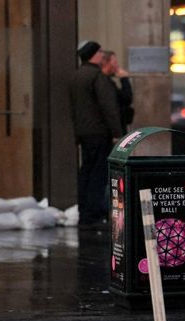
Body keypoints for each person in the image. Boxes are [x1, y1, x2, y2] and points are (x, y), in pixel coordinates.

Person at [70, 41, 123, 230]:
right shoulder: (97, 77)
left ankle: (84, 213)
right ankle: (92, 215)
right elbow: (108, 107)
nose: (102, 55)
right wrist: (117, 132)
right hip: (99, 132)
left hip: (84, 132)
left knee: (86, 172)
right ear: (93, 54)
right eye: (100, 51)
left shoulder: (76, 76)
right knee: (98, 175)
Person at [100, 50, 134, 135]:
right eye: (114, 62)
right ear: (106, 63)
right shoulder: (104, 82)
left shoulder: (106, 81)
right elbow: (126, 98)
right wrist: (124, 78)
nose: (117, 65)